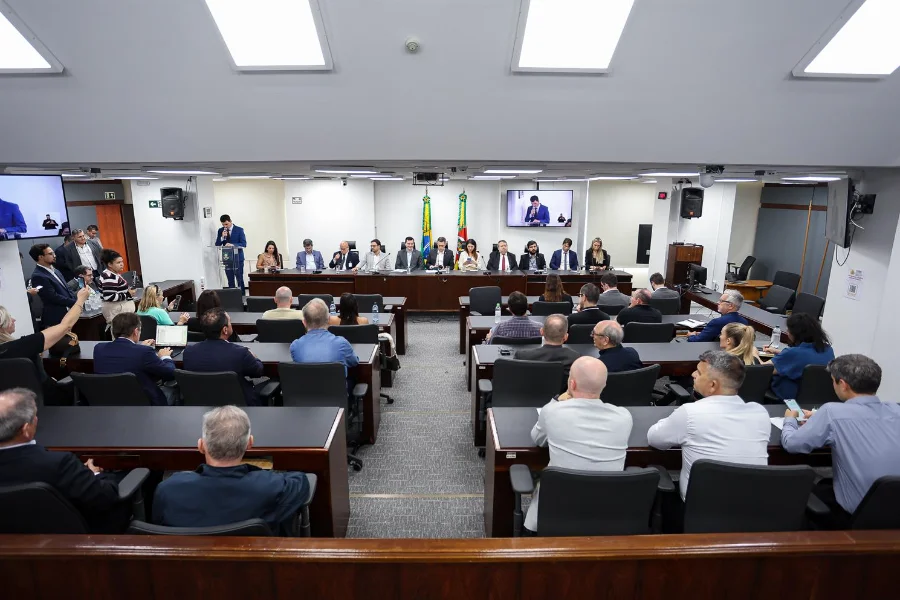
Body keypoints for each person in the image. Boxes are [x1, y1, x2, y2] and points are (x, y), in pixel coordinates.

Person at [152, 405, 311, 534]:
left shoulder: (168, 489)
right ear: (250, 443)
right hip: (254, 570)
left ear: (201, 445)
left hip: (186, 571)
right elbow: (301, 481)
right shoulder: (270, 487)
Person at [782, 355, 900, 524]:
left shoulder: (831, 412)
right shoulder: (895, 410)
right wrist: (818, 417)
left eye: (833, 381)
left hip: (858, 518)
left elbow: (792, 444)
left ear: (843, 384)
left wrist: (790, 419)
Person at [0, 388, 131, 533]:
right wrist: (94, 475)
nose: (36, 420)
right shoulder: (58, 463)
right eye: (34, 417)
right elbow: (104, 497)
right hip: (73, 539)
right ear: (25, 430)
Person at [526, 357, 632, 533]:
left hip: (556, 507)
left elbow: (537, 439)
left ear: (572, 384)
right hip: (607, 511)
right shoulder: (624, 417)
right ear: (604, 385)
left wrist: (558, 400)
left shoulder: (552, 411)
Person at [647, 351, 770, 501]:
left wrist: (673, 417)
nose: (693, 374)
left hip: (698, 509)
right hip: (752, 509)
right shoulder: (760, 413)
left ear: (712, 385)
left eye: (698, 372)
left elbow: (654, 439)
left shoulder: (690, 413)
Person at [182, 308, 267, 406]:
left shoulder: (189, 352)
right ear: (225, 330)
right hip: (238, 409)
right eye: (230, 322)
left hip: (201, 406)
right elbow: (258, 372)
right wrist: (254, 357)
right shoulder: (241, 353)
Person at [0, 288, 90, 374]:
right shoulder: (22, 346)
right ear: (2, 326)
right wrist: (80, 300)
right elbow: (65, 326)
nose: (13, 320)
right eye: (9, 318)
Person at [94, 313, 177, 406]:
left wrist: (138, 348)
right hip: (146, 407)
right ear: (136, 331)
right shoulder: (144, 352)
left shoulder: (99, 349)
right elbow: (170, 374)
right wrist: (165, 357)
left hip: (108, 404)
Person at [764, 312, 835, 399]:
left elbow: (763, 370)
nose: (787, 332)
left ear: (796, 334)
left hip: (789, 399)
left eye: (789, 330)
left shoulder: (792, 354)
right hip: (817, 398)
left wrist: (754, 352)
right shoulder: (828, 350)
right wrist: (780, 352)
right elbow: (806, 357)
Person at [290, 299, 359, 377]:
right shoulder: (342, 343)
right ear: (329, 320)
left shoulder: (295, 346)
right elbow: (354, 362)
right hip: (335, 389)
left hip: (305, 389)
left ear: (304, 322)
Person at [514, 314, 581, 393]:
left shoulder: (522, 356)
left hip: (527, 401)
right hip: (560, 402)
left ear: (541, 332)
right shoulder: (575, 359)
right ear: (566, 337)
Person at [28, 243, 78, 328]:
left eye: (53, 253)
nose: (54, 256)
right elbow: (53, 297)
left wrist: (75, 299)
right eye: (50, 254)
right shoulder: (38, 276)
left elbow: (67, 288)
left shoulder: (55, 270)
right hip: (57, 316)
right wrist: (74, 302)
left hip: (70, 312)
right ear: (40, 257)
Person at [98, 249, 136, 326]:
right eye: (118, 262)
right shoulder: (109, 277)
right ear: (110, 264)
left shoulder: (114, 274)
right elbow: (109, 296)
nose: (122, 264)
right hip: (116, 312)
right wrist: (128, 294)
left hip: (120, 311)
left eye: (122, 261)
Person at [215, 214, 247, 293]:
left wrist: (233, 245)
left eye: (226, 224)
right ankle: (232, 298)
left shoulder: (239, 230)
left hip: (238, 258)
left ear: (230, 221)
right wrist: (222, 237)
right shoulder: (221, 230)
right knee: (230, 279)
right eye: (223, 224)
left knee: (239, 279)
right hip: (227, 258)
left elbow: (244, 244)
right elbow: (217, 244)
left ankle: (242, 297)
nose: (225, 226)